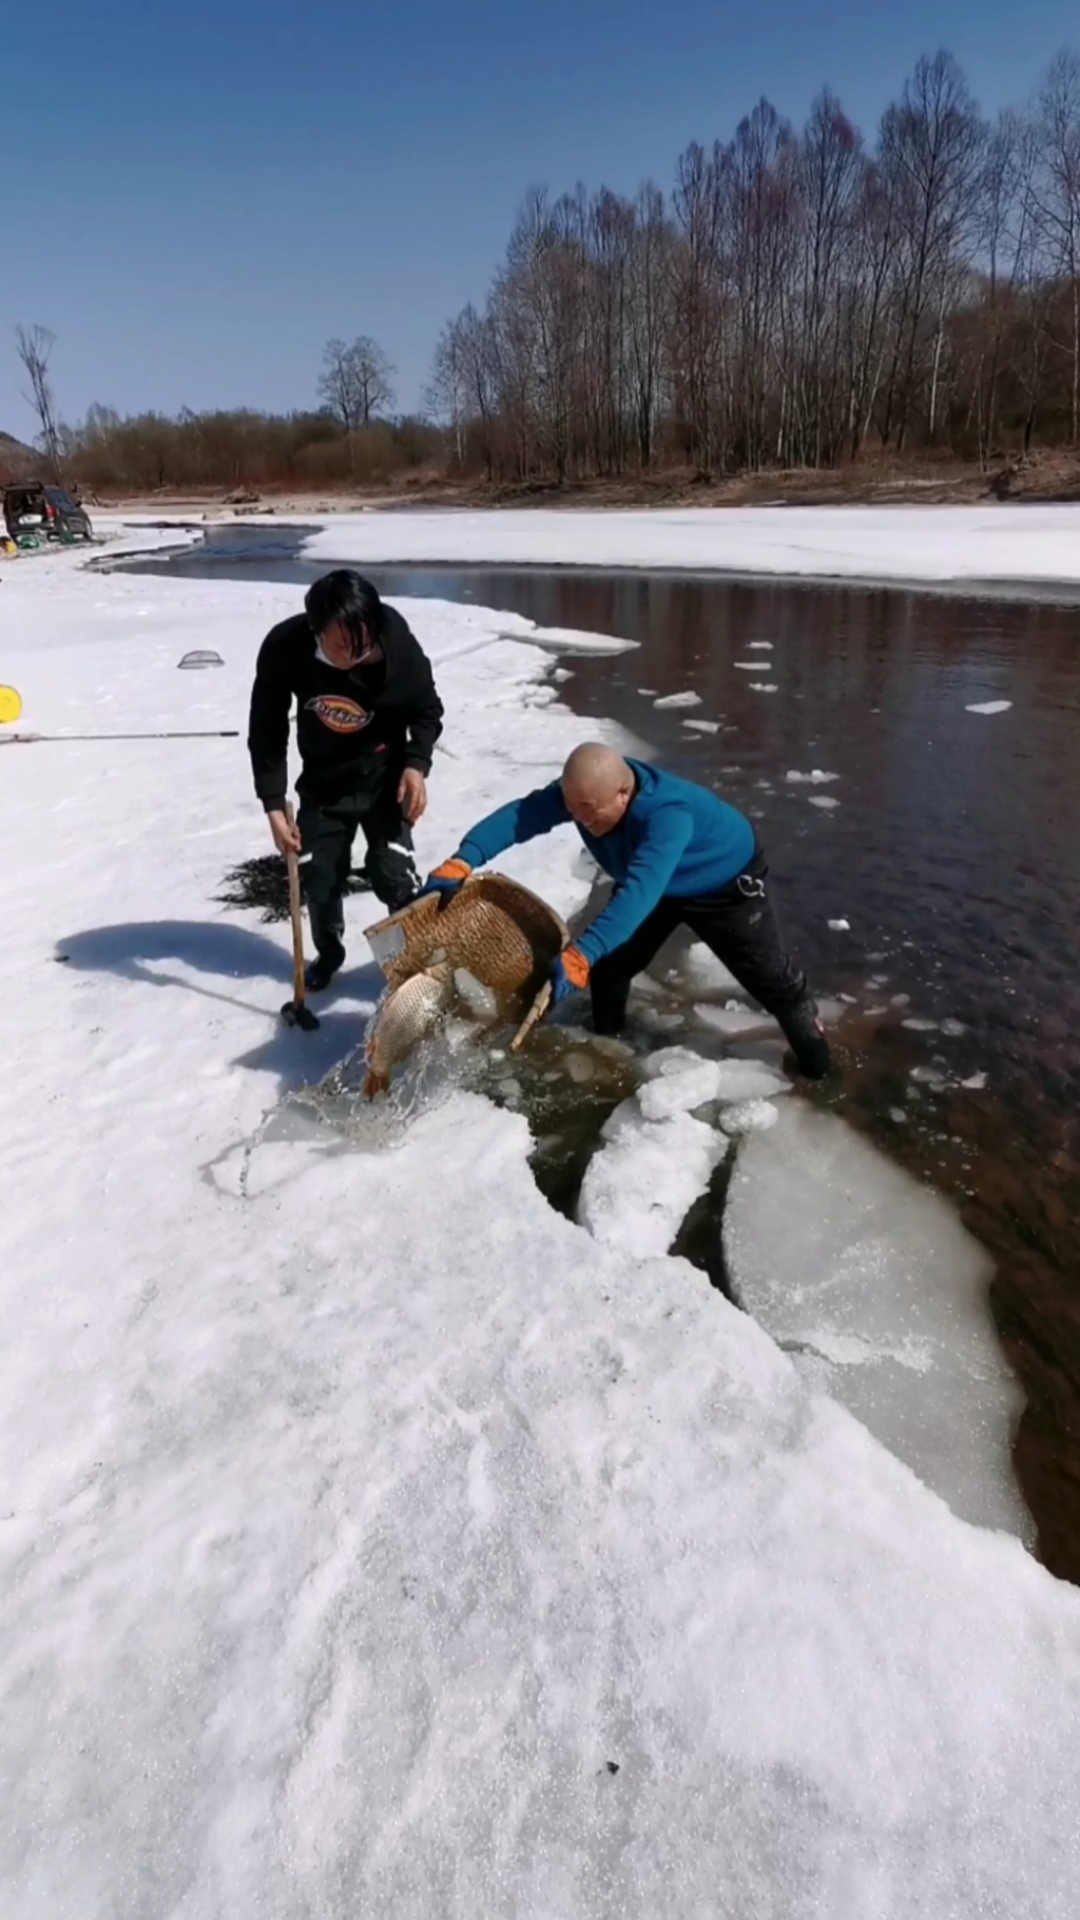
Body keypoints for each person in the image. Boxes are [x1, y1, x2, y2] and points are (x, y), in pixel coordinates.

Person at [419, 743, 830, 1078]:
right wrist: (464, 859)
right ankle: (608, 1041)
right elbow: (521, 816)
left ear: (623, 793)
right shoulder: (585, 793)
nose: (580, 819)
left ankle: (820, 1071)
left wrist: (581, 953)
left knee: (775, 986)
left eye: (589, 811)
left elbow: (639, 893)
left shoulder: (667, 815)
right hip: (656, 884)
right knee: (611, 967)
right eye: (572, 809)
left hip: (725, 883)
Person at [247, 569, 444, 989]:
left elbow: (427, 710)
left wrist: (416, 765)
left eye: (365, 644)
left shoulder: (395, 643)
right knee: (320, 876)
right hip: (323, 781)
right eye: (342, 646)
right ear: (316, 630)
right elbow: (266, 728)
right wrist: (272, 802)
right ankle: (328, 954)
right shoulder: (286, 647)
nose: (357, 655)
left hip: (384, 776)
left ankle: (413, 961)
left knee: (392, 869)